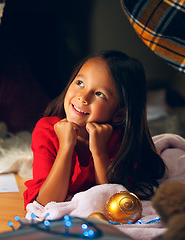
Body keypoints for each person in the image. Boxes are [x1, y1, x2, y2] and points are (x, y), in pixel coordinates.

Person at [23, 50, 166, 208]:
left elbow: (112, 204)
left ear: (119, 114)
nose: (83, 97)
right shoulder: (47, 130)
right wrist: (66, 146)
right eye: (80, 83)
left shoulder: (120, 140)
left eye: (99, 94)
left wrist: (99, 152)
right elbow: (46, 202)